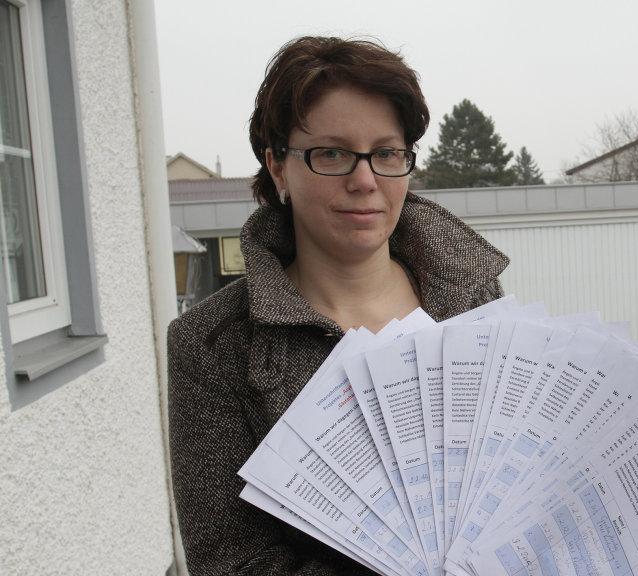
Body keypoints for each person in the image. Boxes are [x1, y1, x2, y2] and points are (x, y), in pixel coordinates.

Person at [167, 36, 508, 575]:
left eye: (386, 153)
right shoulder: (214, 344)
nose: (365, 180)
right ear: (278, 167)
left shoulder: (474, 299)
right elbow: (232, 562)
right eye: (332, 153)